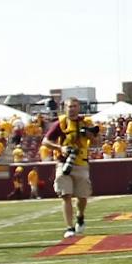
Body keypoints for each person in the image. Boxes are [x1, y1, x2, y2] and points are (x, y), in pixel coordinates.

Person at [45, 98, 102, 237]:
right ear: (65, 108)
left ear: (79, 108)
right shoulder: (61, 123)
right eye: (69, 106)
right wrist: (60, 147)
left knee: (82, 196)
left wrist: (90, 135)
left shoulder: (86, 122)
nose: (72, 109)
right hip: (64, 162)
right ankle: (69, 227)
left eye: (74, 106)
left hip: (81, 163)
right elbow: (45, 141)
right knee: (66, 195)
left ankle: (80, 216)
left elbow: (97, 142)